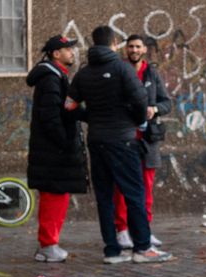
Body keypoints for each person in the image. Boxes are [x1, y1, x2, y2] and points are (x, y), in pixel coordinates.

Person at [69, 26, 172, 264]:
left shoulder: (83, 73)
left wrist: (91, 116)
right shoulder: (123, 69)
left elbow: (69, 106)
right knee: (135, 194)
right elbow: (140, 100)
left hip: (97, 140)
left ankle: (112, 251)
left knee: (104, 196)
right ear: (114, 43)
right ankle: (143, 248)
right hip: (123, 140)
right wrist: (135, 120)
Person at [26, 35, 88, 263]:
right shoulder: (50, 79)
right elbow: (51, 116)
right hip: (53, 152)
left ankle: (50, 244)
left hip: (53, 150)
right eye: (67, 49)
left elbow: (66, 109)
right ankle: (48, 245)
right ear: (56, 54)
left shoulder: (56, 76)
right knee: (54, 197)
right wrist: (64, 142)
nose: (72, 52)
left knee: (57, 196)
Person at [113, 35, 171, 253]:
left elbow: (167, 103)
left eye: (137, 46)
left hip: (148, 141)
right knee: (121, 188)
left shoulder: (152, 73)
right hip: (124, 138)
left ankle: (144, 229)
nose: (134, 50)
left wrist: (154, 109)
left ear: (144, 49)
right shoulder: (120, 71)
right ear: (125, 49)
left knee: (146, 187)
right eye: (130, 46)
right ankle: (122, 229)